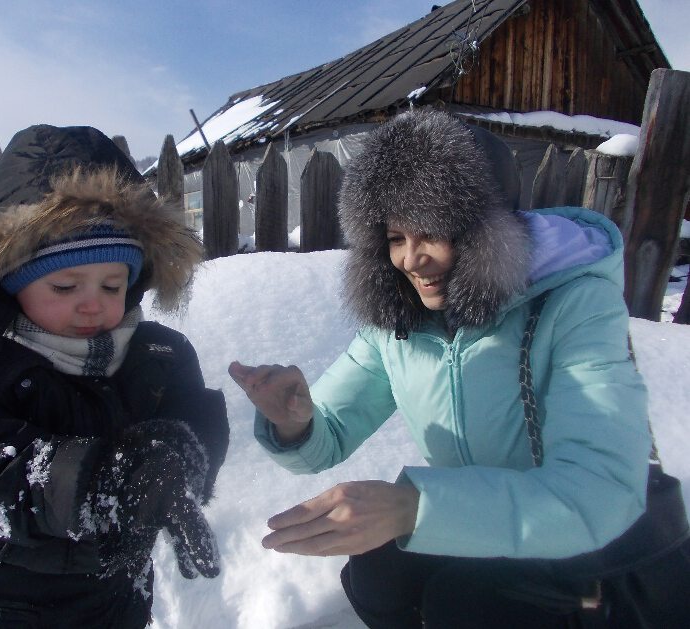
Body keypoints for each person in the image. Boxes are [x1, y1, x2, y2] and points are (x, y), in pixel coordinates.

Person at [229, 109, 652, 628]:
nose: (411, 259)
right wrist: (293, 418)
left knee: (467, 602)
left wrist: (414, 507)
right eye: (395, 237)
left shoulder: (575, 303)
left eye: (433, 233)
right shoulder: (399, 323)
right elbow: (331, 435)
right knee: (376, 574)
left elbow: (601, 489)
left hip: (581, 541)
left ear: (488, 230)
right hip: (477, 521)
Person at [0, 124, 229, 628]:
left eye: (112, 284)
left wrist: (176, 463)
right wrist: (102, 481)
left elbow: (193, 418)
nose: (93, 304)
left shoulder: (157, 355)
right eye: (65, 286)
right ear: (7, 281)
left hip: (116, 595)